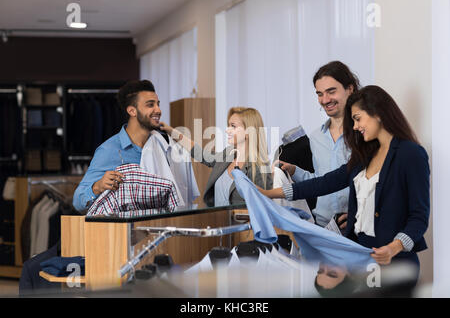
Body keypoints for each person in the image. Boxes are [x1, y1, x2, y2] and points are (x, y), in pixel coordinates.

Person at [261, 85, 430, 283]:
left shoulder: (411, 154)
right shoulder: (364, 157)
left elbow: (419, 217)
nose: (356, 126)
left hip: (396, 263)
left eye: (358, 118)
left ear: (378, 114)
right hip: (360, 260)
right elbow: (324, 183)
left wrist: (394, 247)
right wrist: (269, 193)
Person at [277, 61, 360, 229]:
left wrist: (358, 213)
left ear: (350, 89)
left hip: (356, 226)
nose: (325, 100)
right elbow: (321, 181)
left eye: (331, 92)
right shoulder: (316, 137)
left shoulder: (363, 132)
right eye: (320, 94)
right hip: (323, 225)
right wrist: (295, 171)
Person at [72, 80, 161, 212]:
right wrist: (98, 186)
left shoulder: (162, 146)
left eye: (158, 104)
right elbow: (77, 201)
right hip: (125, 231)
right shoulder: (108, 151)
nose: (158, 110)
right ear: (132, 111)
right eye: (150, 105)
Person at [160, 107, 273, 207]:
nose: (227, 130)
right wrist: (171, 131)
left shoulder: (260, 168)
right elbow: (202, 155)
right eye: (228, 125)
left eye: (233, 126)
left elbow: (263, 208)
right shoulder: (228, 154)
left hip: (243, 229)